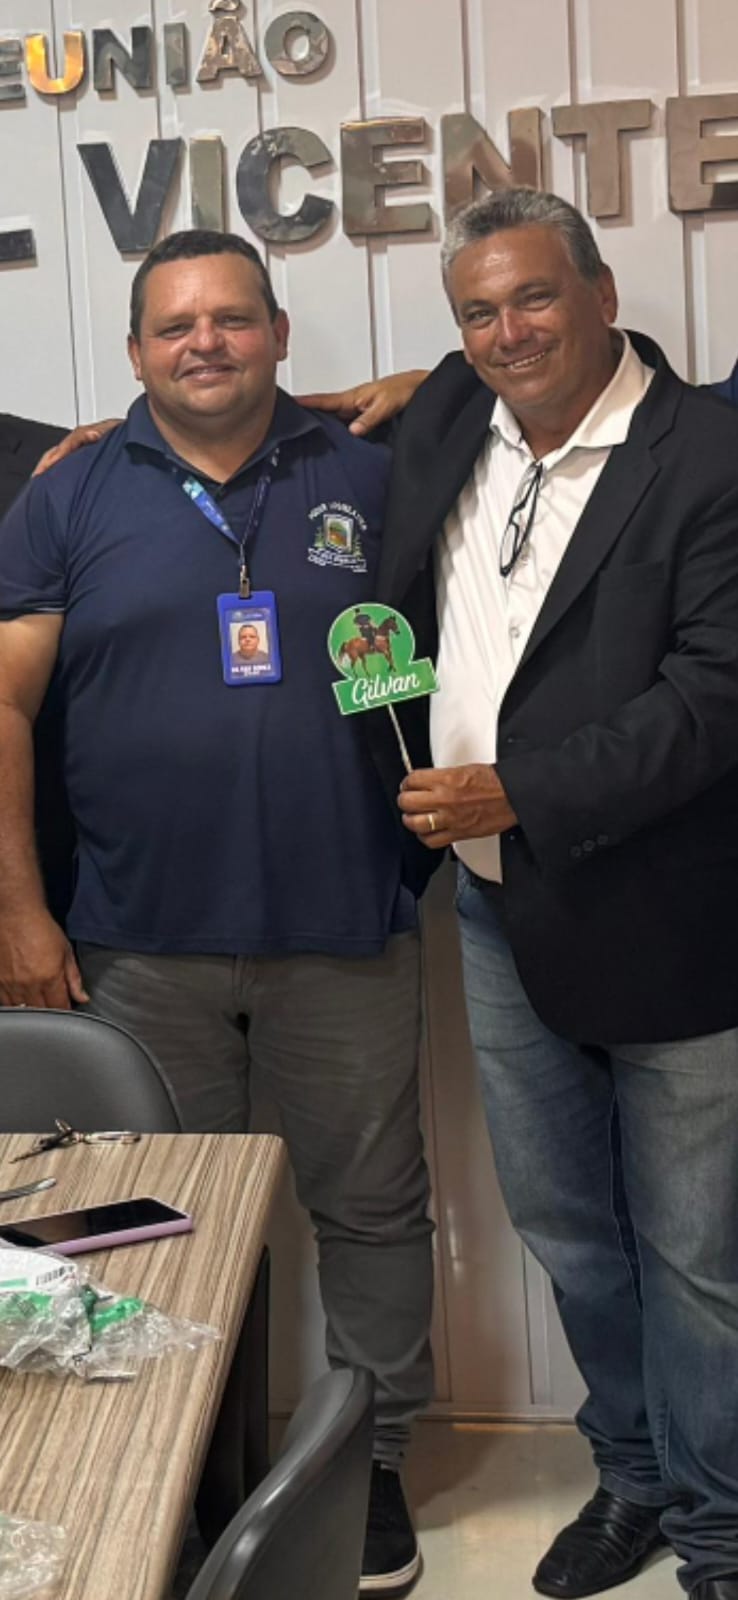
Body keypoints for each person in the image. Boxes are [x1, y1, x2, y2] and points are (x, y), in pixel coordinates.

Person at [312, 188, 738, 1600]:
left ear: (605, 293)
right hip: (499, 914)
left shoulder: (711, 454)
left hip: (674, 918)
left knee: (697, 1256)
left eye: (535, 297)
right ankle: (632, 1478)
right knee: (568, 1233)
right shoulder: (452, 409)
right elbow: (349, 406)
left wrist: (520, 791)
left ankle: (721, 1526)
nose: (508, 333)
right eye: (478, 313)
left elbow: (715, 696)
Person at [0, 228, 436, 1597]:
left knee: (369, 1208)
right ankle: (182, 1461)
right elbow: (2, 702)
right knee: (149, 1220)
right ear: (135, 350)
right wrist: (19, 911)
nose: (206, 343)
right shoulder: (69, 491)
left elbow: (549, 398)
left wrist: (422, 381)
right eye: (176, 324)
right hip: (137, 941)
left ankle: (370, 1467)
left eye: (233, 318)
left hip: (343, 926)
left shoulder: (371, 471)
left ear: (278, 333)